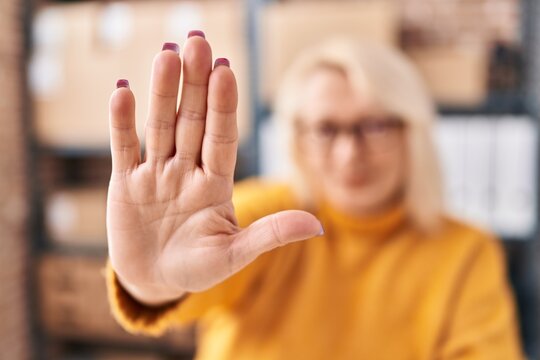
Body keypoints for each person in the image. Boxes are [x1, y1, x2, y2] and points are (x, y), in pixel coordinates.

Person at [104, 31, 524, 359]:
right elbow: (185, 279)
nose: (349, 153)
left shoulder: (465, 253)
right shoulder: (260, 218)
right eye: (326, 129)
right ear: (299, 141)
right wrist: (151, 284)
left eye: (374, 126)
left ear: (412, 132)